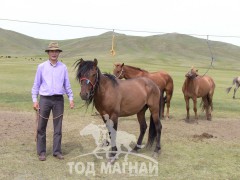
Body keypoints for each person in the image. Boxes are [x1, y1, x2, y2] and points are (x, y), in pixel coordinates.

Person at [31, 42, 74, 161]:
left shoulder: (63, 67)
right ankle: (42, 152)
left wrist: (71, 98)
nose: (54, 53)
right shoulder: (41, 67)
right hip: (44, 99)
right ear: (48, 53)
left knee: (58, 127)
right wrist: (35, 100)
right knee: (41, 127)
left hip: (59, 100)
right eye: (52, 51)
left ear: (59, 53)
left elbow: (67, 85)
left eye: (56, 51)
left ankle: (57, 151)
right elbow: (36, 85)